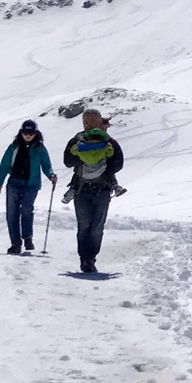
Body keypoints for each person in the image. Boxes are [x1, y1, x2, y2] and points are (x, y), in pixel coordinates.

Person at [62, 109, 124, 274]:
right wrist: (83, 154)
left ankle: (91, 258)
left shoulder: (109, 141)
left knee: (96, 227)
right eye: (86, 122)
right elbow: (67, 161)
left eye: (92, 122)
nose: (88, 125)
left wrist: (106, 170)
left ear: (100, 122)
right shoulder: (76, 140)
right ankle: (85, 259)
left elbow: (119, 162)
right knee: (84, 226)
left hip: (102, 189)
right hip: (82, 189)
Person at [0, 120, 57, 253]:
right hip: (14, 183)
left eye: (31, 133)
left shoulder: (40, 148)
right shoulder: (14, 147)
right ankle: (16, 243)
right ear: (21, 133)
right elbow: (4, 165)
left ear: (36, 133)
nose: (28, 135)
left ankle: (28, 238)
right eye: (25, 133)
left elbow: (46, 165)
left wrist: (51, 175)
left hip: (31, 184)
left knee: (26, 210)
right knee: (12, 213)